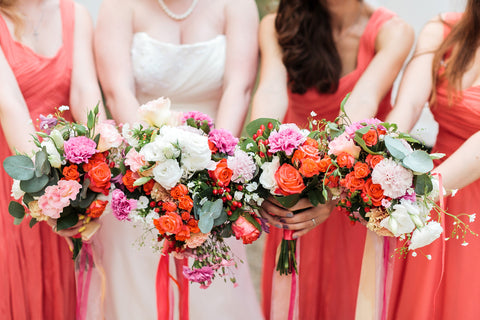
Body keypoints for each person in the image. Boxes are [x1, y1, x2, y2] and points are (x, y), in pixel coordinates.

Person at [94, 0, 261, 319]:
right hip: (140, 170)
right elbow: (117, 91)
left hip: (213, 172)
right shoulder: (118, 6)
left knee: (212, 295)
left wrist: (214, 170)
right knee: (136, 293)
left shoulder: (237, 5)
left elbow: (239, 88)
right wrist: (151, 163)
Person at [250, 0, 414, 318]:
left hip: (353, 191)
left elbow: (363, 98)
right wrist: (263, 168)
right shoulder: (276, 25)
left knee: (350, 299)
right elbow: (269, 91)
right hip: (294, 189)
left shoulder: (394, 32)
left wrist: (327, 182)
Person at [0, 0, 103, 319]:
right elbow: (10, 107)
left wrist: (97, 176)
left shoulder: (75, 14)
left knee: (60, 288)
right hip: (15, 176)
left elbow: (86, 92)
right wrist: (50, 198)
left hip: (68, 171)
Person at [385, 1, 480, 318]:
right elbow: (409, 104)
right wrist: (380, 156)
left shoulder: (425, 195)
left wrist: (423, 195)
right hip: (432, 194)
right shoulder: (443, 30)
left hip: (444, 193)